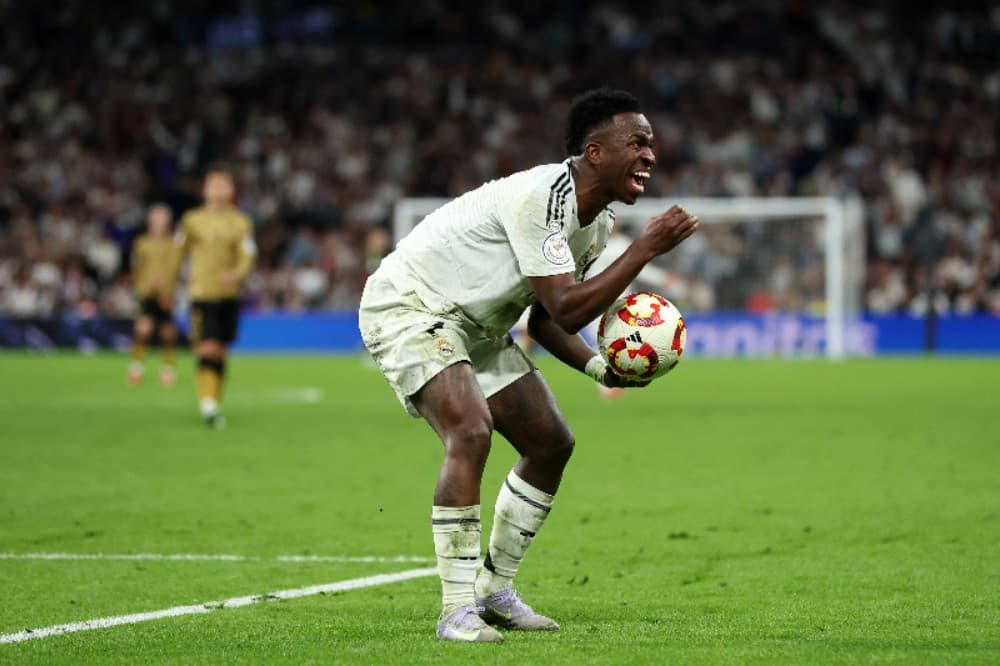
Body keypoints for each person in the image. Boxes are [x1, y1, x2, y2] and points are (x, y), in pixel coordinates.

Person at [358, 88, 699, 643]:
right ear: (595, 152)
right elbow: (567, 306)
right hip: (411, 304)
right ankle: (455, 610)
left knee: (550, 443)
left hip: (476, 324)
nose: (651, 155)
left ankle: (496, 590)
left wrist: (598, 369)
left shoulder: (596, 223)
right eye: (637, 142)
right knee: (470, 429)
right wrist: (645, 251)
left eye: (652, 145)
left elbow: (545, 321)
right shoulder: (543, 196)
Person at [174, 167, 256, 427]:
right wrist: (173, 280)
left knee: (220, 350)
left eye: (224, 183)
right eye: (214, 183)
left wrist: (237, 274)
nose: (219, 188)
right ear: (205, 189)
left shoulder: (241, 222)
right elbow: (177, 251)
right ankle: (208, 405)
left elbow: (248, 254)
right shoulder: (192, 220)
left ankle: (214, 401)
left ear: (231, 189)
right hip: (201, 292)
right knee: (206, 345)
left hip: (229, 294)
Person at [127, 203, 180, 387]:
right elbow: (137, 269)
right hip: (146, 292)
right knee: (143, 329)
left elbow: (173, 269)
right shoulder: (141, 243)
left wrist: (166, 289)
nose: (159, 222)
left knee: (167, 332)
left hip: (166, 293)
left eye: (162, 219)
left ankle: (168, 368)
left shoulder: (173, 244)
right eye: (156, 218)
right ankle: (136, 367)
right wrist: (144, 286)